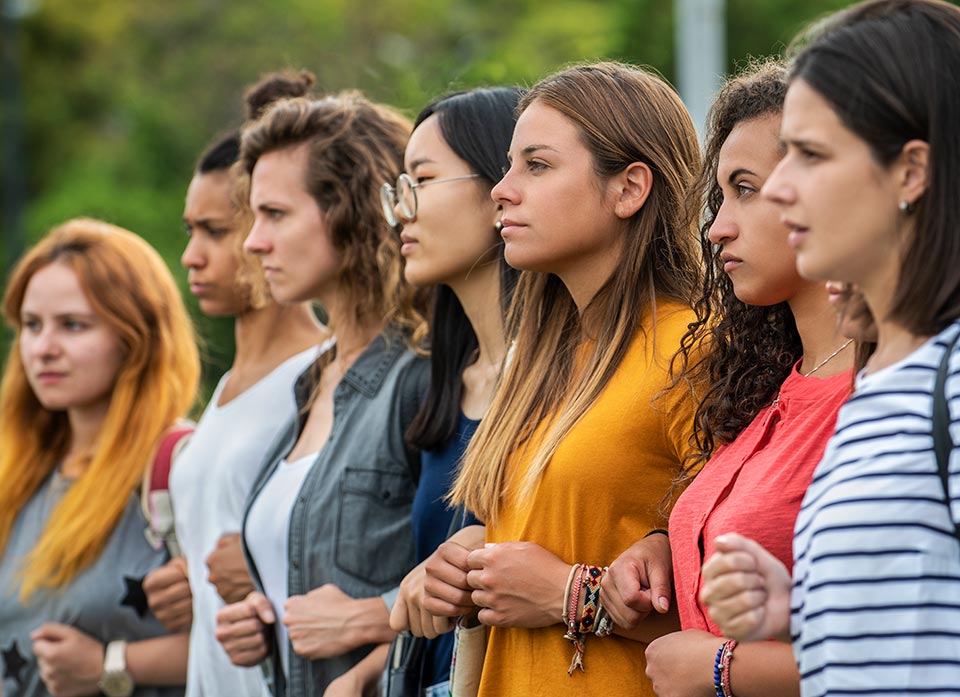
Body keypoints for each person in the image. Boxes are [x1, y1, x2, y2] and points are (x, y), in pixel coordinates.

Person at [700, 1, 960, 695]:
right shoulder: (887, 379)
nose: (782, 187)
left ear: (911, 171)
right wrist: (795, 606)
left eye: (811, 155)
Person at [423, 62, 703, 696]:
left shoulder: (693, 350)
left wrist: (570, 595)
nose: (502, 189)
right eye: (507, 165)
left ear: (629, 188)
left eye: (537, 166)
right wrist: (467, 563)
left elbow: (743, 609)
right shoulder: (543, 361)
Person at [599, 60, 856, 697]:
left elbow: (908, 646)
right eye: (721, 198)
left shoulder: (890, 392)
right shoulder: (770, 388)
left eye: (747, 189)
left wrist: (723, 668)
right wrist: (669, 544)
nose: (717, 229)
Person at [213, 91, 430, 696]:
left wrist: (375, 615)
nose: (253, 242)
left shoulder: (422, 373)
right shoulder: (312, 380)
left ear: (353, 212)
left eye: (276, 214)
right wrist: (262, 619)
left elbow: (486, 557)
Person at [142, 70, 325, 697]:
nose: (192, 254)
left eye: (214, 231)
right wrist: (186, 586)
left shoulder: (322, 374)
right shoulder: (224, 390)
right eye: (190, 230)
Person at [0, 218, 200, 697]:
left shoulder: (181, 465)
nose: (43, 349)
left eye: (73, 325)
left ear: (136, 338)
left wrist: (113, 664)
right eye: (31, 325)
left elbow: (250, 640)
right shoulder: (18, 473)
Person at [381, 86, 523, 697]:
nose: (399, 213)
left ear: (501, 188)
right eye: (397, 190)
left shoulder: (568, 377)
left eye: (421, 180)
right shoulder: (443, 382)